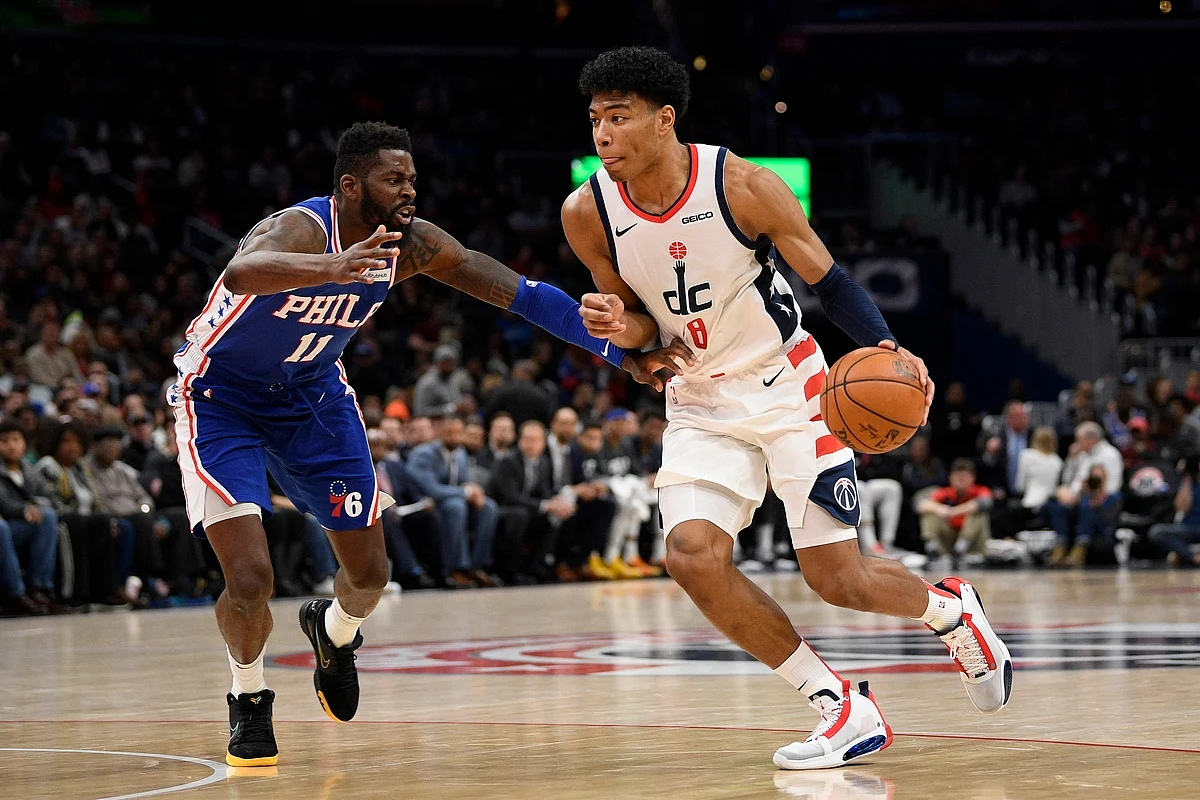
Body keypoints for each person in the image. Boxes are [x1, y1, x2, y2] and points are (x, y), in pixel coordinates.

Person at [168, 121, 691, 767]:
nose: (409, 189)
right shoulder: (303, 229)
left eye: (412, 178)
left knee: (370, 575)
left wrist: (622, 353)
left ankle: (333, 633)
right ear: (351, 186)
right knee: (250, 577)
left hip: (312, 398)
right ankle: (248, 697)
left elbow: (523, 297)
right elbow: (242, 271)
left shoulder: (411, 246)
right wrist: (330, 266)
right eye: (394, 179)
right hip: (220, 399)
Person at [563, 46, 1012, 769]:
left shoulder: (743, 186)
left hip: (789, 385)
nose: (603, 135)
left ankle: (952, 612)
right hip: (698, 399)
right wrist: (623, 331)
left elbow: (831, 285)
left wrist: (891, 348)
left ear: (664, 119)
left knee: (839, 581)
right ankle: (839, 704)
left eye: (619, 118)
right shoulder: (586, 213)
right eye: (595, 120)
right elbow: (644, 326)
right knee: (691, 557)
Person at [406, 416, 500, 588]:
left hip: (452, 500)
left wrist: (474, 490)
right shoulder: (424, 454)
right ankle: (455, 567)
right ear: (439, 432)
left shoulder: (460, 453)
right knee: (456, 507)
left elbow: (464, 482)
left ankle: (476, 565)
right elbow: (431, 489)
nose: (454, 437)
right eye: (449, 432)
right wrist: (465, 492)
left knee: (489, 507)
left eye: (458, 433)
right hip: (425, 503)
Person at [489, 420, 575, 583]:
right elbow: (511, 497)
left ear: (543, 443)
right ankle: (511, 570)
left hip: (527, 510)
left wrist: (556, 502)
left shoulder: (543, 462)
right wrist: (546, 505)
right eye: (527, 439)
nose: (531, 444)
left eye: (536, 440)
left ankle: (537, 566)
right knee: (520, 515)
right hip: (502, 509)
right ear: (520, 441)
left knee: (555, 518)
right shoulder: (507, 461)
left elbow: (544, 492)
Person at [1043, 421, 1123, 566]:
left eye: (1079, 440)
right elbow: (1068, 480)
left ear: (1091, 439)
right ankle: (1061, 545)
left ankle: (1081, 546)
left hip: (1104, 498)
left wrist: (1083, 495)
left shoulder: (1110, 455)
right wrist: (1071, 459)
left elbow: (1111, 487)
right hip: (1078, 497)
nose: (1076, 444)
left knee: (1087, 503)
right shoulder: (1082, 455)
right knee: (1056, 506)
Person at [0, 420, 59, 616]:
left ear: (25, 443)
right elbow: (3, 503)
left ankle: (38, 587)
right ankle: (15, 594)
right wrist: (24, 508)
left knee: (48, 517)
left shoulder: (29, 469)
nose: (11, 445)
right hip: (7, 525)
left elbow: (50, 498)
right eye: (4, 441)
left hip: (20, 527)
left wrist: (36, 507)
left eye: (16, 439)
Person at [917, 459, 994, 569]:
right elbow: (921, 505)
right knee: (930, 512)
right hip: (949, 539)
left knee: (979, 513)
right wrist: (940, 509)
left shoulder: (980, 490)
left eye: (964, 476)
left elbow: (985, 503)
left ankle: (962, 547)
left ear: (973, 478)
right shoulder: (946, 492)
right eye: (957, 476)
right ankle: (933, 549)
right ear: (950, 478)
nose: (961, 480)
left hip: (972, 542)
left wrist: (954, 511)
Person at [1048, 464, 1122, 567]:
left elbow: (1110, 520)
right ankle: (1061, 544)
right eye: (1093, 478)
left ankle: (1080, 547)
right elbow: (1073, 511)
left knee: (1087, 510)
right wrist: (1081, 493)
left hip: (1101, 529)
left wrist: (1097, 501)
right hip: (1081, 529)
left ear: (1105, 479)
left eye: (1098, 478)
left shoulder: (1113, 497)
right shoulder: (1085, 496)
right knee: (1061, 508)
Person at [1149, 456, 1200, 566]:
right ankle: (1193, 557)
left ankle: (1183, 555)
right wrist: (1187, 476)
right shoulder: (1190, 483)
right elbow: (1182, 508)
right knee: (1157, 532)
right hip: (1189, 527)